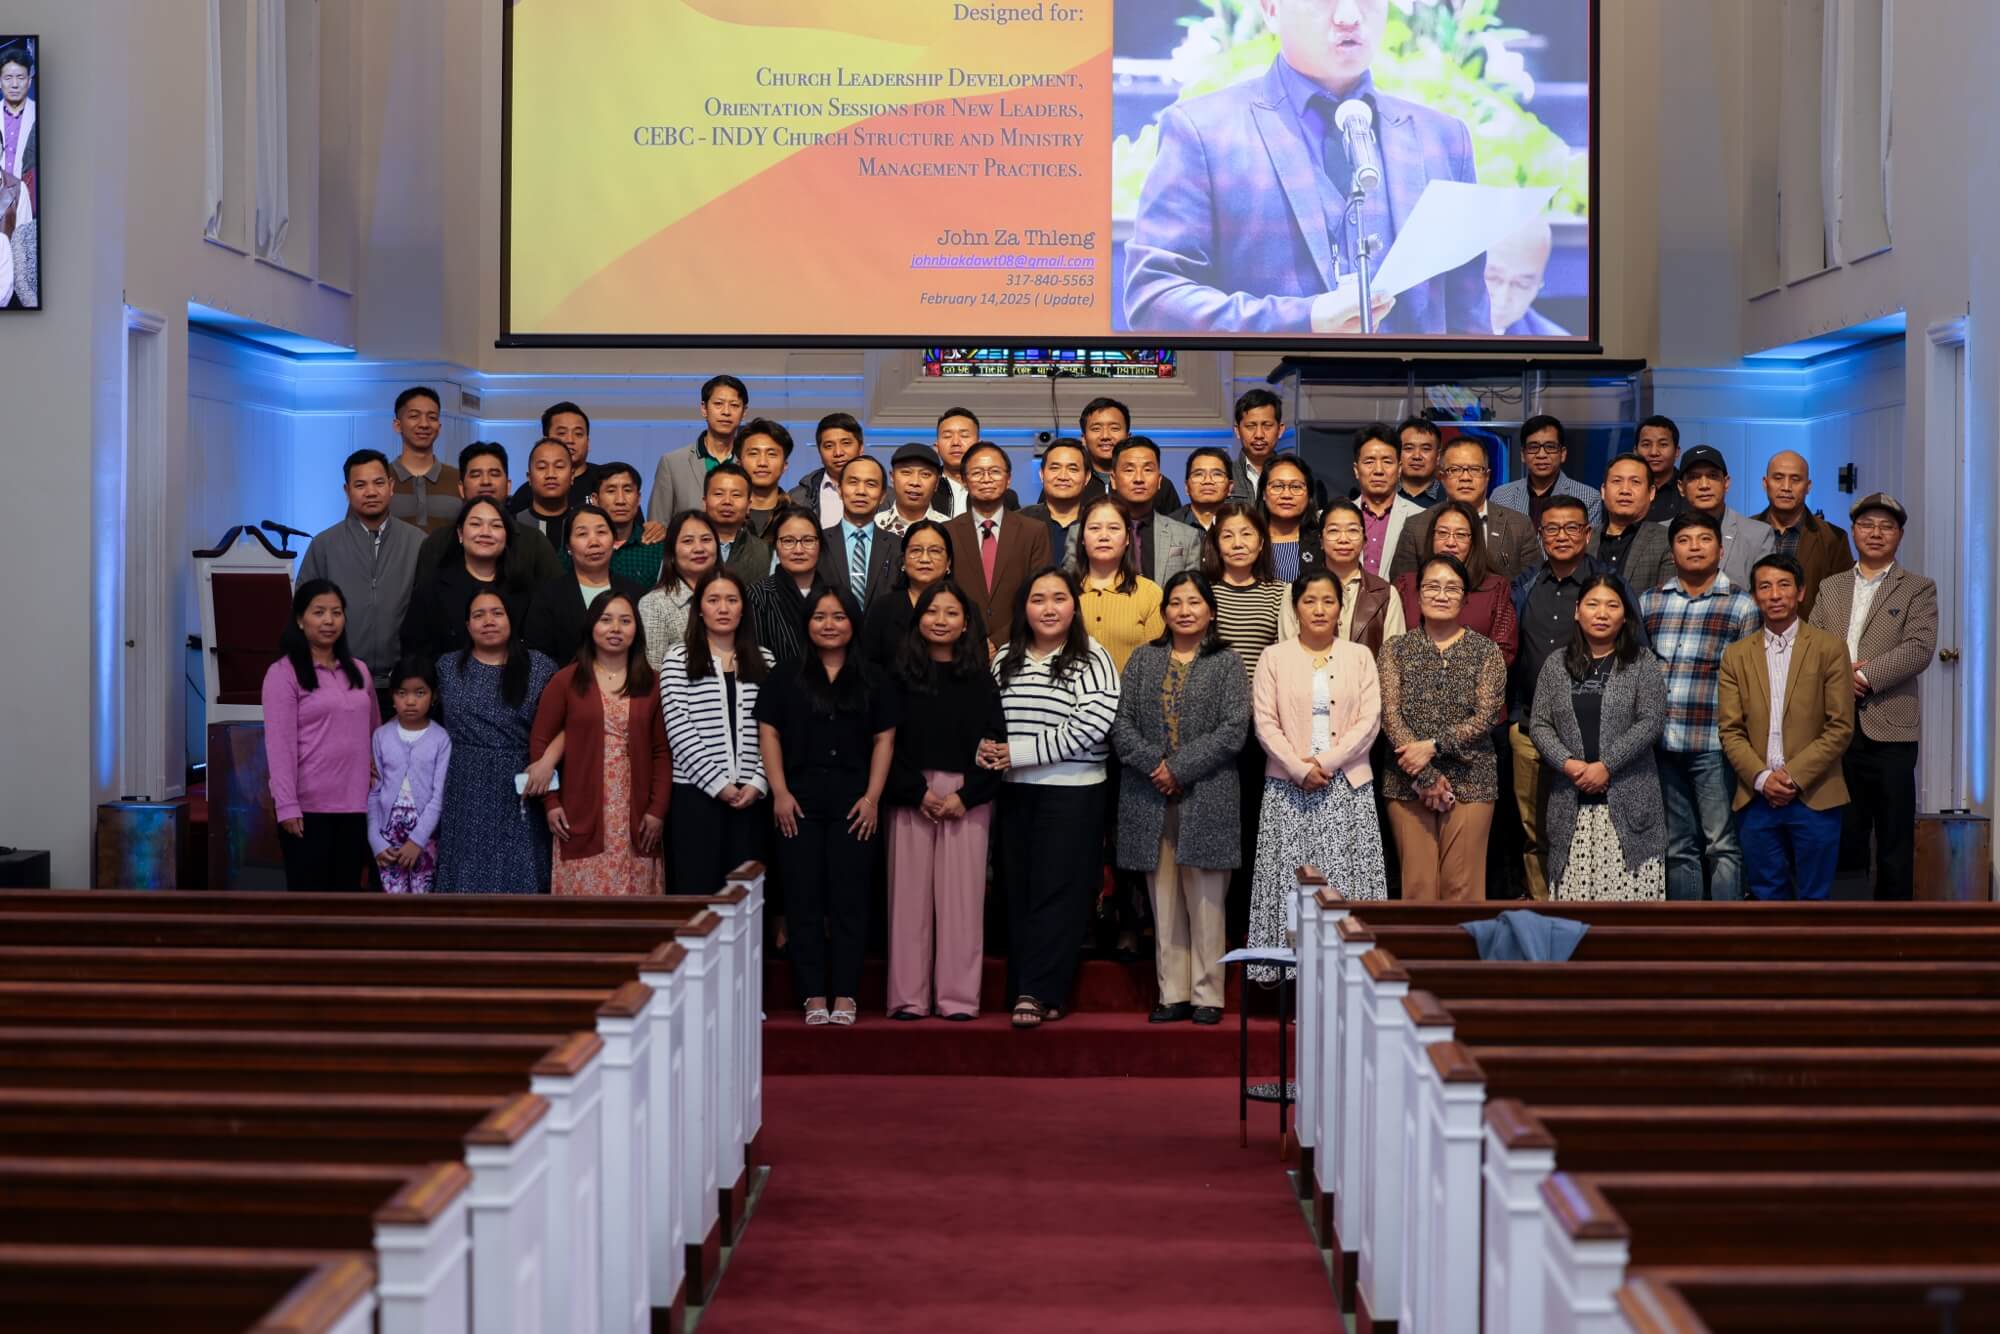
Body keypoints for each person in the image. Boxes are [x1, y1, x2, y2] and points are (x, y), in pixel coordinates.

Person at [1124, 0, 1486, 335]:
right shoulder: (1204, 132)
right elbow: (1155, 298)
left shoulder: (1443, 139)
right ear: (1271, 9)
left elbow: (1470, 325)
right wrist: (1304, 319)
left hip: (1411, 385)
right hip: (1265, 383)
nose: (1348, 16)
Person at [982, 568, 1121, 1029]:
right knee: (1018, 891)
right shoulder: (1006, 657)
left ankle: (1038, 991)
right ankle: (1034, 987)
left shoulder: (1093, 656)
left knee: (1058, 892)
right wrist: (986, 748)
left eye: (1059, 598)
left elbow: (1092, 724)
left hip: (1073, 791)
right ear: (1023, 607)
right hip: (1014, 792)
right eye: (1038, 599)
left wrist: (1018, 753)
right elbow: (987, 717)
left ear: (1073, 606)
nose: (1048, 608)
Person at [1114, 573, 1251, 1023]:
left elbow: (1234, 730)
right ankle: (1171, 991)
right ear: (1164, 611)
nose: (1185, 610)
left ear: (1211, 611)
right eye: (1175, 602)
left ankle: (1207, 994)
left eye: (1194, 602)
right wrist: (1157, 766)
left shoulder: (1227, 662)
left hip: (1207, 794)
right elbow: (1121, 724)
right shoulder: (1143, 659)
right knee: (1164, 899)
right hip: (1150, 795)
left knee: (1207, 901)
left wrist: (1180, 768)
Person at [758, 588, 897, 1025]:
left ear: (853, 622)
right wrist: (779, 792)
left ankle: (846, 994)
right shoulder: (785, 675)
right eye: (820, 616)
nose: (829, 624)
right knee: (802, 898)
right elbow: (769, 733)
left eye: (839, 616)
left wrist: (872, 798)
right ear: (807, 623)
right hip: (797, 800)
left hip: (855, 802)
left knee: (850, 898)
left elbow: (884, 740)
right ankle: (813, 994)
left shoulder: (874, 677)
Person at [1250, 570, 1388, 970]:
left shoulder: (1359, 656)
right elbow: (1264, 722)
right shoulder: (1273, 657)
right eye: (1309, 600)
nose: (1319, 609)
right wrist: (1298, 767)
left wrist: (1325, 762)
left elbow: (1369, 720)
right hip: (1288, 788)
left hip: (1346, 786)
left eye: (1328, 601)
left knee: (1344, 882)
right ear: (1296, 608)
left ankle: (1349, 973)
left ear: (1341, 609)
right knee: (1293, 883)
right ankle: (1293, 976)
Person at [884, 583, 1006, 1021]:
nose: (940, 620)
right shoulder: (898, 676)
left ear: (966, 623)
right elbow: (884, 745)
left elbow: (996, 746)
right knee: (907, 902)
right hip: (911, 795)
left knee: (962, 903)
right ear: (918, 619)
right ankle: (908, 998)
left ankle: (958, 999)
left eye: (951, 613)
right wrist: (916, 791)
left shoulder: (981, 680)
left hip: (965, 798)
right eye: (932, 611)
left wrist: (965, 796)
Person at [1808, 493, 1938, 902]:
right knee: (1845, 832)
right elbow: (1812, 646)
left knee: (1894, 836)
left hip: (1891, 729)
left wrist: (1861, 676)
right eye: (1867, 525)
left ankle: (1895, 929)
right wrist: (1838, 678)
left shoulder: (1918, 588)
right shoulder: (1830, 587)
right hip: (1835, 726)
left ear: (1900, 535)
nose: (1876, 533)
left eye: (1886, 526)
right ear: (1853, 531)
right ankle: (1847, 927)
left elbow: (1918, 649)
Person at [1638, 510, 1763, 901]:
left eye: (1704, 539)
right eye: (1684, 540)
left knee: (1721, 843)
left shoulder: (1742, 605)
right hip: (1662, 742)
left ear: (1721, 550)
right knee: (1678, 845)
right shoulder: (1650, 602)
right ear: (1672, 551)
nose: (1695, 547)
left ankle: (1724, 933)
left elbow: (1750, 684)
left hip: (1713, 743)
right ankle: (1684, 931)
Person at [1718, 554, 1855, 901]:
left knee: (1815, 899)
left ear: (1801, 592)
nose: (1775, 594)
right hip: (1757, 796)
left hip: (1815, 794)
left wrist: (1792, 777)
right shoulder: (1735, 655)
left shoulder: (1829, 648)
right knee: (1767, 898)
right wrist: (1764, 779)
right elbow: (1730, 730)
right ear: (1754, 596)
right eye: (1765, 587)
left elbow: (1840, 726)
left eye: (1784, 585)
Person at [1378, 555, 1509, 900]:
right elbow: (1390, 715)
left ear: (1465, 599)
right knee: (1418, 889)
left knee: (1461, 889)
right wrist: (1426, 775)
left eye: (1452, 588)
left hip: (1472, 777)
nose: (1441, 595)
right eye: (1432, 587)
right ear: (1418, 595)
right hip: (1407, 780)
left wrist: (1433, 746)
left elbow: (1486, 716)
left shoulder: (1486, 651)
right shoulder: (1395, 649)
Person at [1529, 577, 1668, 901]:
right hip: (1571, 804)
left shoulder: (1641, 661)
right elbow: (1539, 724)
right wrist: (1569, 764)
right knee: (1575, 913)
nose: (1602, 613)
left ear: (1625, 615)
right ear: (1578, 611)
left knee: (1628, 914)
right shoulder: (1556, 663)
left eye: (1612, 605)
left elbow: (1651, 721)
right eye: (1593, 604)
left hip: (1630, 805)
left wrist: (1606, 766)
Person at [1506, 495, 1614, 898]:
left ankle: (1584, 908)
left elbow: (1633, 652)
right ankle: (1542, 907)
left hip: (1592, 735)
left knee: (1587, 828)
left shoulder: (1607, 584)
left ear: (1587, 533)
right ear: (1541, 535)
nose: (1562, 536)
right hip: (1530, 726)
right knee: (1533, 830)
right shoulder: (1525, 584)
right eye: (1552, 528)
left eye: (1572, 528)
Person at [1201, 502, 1298, 941]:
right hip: (1212, 728)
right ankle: (1214, 923)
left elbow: (1286, 660)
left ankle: (1250, 923)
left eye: (1246, 535)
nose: (1237, 544)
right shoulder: (1203, 593)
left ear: (1262, 543)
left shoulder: (1280, 593)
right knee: (1216, 827)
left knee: (1256, 827)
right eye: (1228, 535)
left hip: (1262, 729)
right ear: (1215, 544)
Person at [532, 591, 669, 897]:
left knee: (635, 906)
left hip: (637, 817)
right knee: (584, 911)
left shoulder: (653, 683)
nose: (615, 628)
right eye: (606, 620)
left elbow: (661, 752)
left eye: (625, 621)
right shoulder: (566, 681)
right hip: (580, 813)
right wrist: (551, 802)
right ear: (591, 626)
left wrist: (657, 810)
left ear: (637, 629)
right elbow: (541, 744)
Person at [432, 590, 560, 894]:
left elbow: (570, 721)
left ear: (511, 620)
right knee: (464, 873)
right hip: (464, 783)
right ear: (467, 625)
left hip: (521, 781)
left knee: (521, 872)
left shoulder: (540, 667)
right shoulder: (447, 667)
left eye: (497, 613)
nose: (488, 621)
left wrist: (548, 761)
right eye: (479, 615)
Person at [660, 568, 775, 895]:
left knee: (746, 896)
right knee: (698, 892)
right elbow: (679, 729)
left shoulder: (765, 660)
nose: (723, 608)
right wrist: (719, 784)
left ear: (743, 608)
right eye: (713, 600)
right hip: (696, 796)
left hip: (752, 797)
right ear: (699, 608)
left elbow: (774, 731)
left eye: (731, 600)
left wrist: (758, 782)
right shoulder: (678, 659)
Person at [262, 580, 380, 891]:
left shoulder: (360, 671)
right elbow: (280, 747)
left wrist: (376, 775)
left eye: (336, 612)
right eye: (319, 612)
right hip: (308, 809)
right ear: (300, 620)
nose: (329, 620)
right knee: (310, 904)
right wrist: (286, 805)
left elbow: (375, 734)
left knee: (347, 897)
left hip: (356, 806)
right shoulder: (283, 673)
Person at [296, 449, 426, 691]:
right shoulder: (324, 545)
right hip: (339, 680)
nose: (371, 492)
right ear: (347, 491)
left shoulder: (418, 543)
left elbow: (429, 613)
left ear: (391, 486)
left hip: (403, 683)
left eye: (378, 483)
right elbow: (303, 611)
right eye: (360, 485)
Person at [946, 442, 1052, 650]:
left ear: (1008, 478)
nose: (986, 479)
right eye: (977, 473)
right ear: (964, 480)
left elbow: (1040, 594)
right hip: (960, 647)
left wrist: (1000, 641)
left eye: (994, 471)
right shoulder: (947, 532)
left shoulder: (1033, 531)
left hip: (1019, 646)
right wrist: (970, 639)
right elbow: (942, 593)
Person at [1387, 438, 1541, 581]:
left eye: (1475, 469)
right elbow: (1403, 585)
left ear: (1487, 476)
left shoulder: (1519, 525)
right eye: (1455, 470)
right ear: (1442, 477)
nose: (1465, 478)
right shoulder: (1417, 526)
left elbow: (1532, 583)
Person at [414, 442, 563, 587]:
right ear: (461, 488)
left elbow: (556, 597)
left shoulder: (534, 542)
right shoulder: (438, 543)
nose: (485, 481)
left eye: (494, 474)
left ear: (508, 486)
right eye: (476, 475)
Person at [400, 498, 531, 661]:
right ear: (460, 534)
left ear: (506, 537)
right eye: (476, 524)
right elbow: (414, 651)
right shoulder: (431, 588)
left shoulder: (523, 588)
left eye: (496, 526)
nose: (485, 532)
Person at [1392, 500, 1519, 665]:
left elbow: (1504, 650)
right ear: (1432, 537)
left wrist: (1456, 673)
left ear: (1474, 541)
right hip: (1411, 677)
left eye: (1460, 535)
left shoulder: (1496, 588)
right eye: (1442, 533)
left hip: (1476, 679)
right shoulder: (1406, 585)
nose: (1450, 542)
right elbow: (1392, 645)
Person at [367, 655, 450, 895]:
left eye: (420, 693)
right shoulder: (381, 736)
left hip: (425, 837)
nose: (410, 701)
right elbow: (374, 792)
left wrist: (418, 840)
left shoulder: (441, 739)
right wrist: (375, 839)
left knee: (422, 900)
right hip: (388, 836)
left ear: (434, 696)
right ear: (392, 697)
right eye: (402, 693)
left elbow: (438, 796)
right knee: (393, 901)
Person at [523, 505, 646, 661]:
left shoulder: (636, 594)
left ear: (614, 541)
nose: (594, 542)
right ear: (568, 546)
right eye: (582, 534)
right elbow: (539, 658)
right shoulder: (548, 596)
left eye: (601, 532)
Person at [1071, 496, 1166, 672]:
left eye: (1114, 528)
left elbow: (1158, 665)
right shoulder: (1065, 591)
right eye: (1094, 528)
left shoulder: (1150, 593)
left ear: (1128, 538)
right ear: (1082, 538)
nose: (1104, 536)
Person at [1753, 451, 1852, 618]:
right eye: (1778, 478)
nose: (1786, 487)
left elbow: (1842, 603)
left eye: (1795, 479)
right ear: (1765, 483)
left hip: (1810, 632)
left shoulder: (1833, 538)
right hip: (1752, 631)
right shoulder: (1745, 531)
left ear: (1808, 486)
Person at [649, 373, 745, 523]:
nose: (726, 412)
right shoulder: (673, 463)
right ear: (704, 409)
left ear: (744, 412)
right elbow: (657, 526)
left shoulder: (749, 463)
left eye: (734, 405)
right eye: (718, 404)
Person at [858, 520, 954, 669]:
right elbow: (868, 666)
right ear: (903, 561)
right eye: (916, 550)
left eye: (935, 551)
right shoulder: (883, 608)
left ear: (948, 563)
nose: (925, 559)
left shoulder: (965, 608)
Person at [1676, 445, 1773, 591]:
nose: (1704, 485)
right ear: (1681, 487)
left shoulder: (1758, 534)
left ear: (1726, 483)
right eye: (1694, 477)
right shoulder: (1663, 532)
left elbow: (1766, 593)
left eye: (1712, 476)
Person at [1107, 438, 1203, 585]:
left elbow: (1191, 592)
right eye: (1129, 470)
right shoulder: (1083, 532)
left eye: (1147, 470)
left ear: (1159, 480)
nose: (1139, 479)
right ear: (1113, 480)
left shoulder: (1186, 536)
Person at [1319, 499, 1405, 654]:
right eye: (1334, 531)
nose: (1343, 539)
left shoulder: (1386, 594)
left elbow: (1393, 659)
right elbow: (1290, 656)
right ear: (1321, 540)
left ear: (1364, 540)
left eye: (1352, 531)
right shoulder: (1296, 591)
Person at [749, 505, 826, 675]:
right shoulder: (758, 596)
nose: (798, 550)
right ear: (776, 545)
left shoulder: (834, 595)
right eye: (788, 541)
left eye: (808, 540)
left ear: (820, 544)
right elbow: (756, 661)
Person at [637, 511, 719, 670]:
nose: (699, 548)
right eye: (688, 541)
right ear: (672, 551)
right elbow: (654, 671)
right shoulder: (654, 604)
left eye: (706, 540)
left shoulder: (733, 596)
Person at [1490, 415, 1603, 530]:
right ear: (1523, 455)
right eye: (1533, 447)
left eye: (1550, 447)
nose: (1541, 455)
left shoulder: (1588, 498)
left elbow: (1589, 541)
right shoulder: (1500, 496)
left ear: (1563, 454)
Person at [1078, 399, 1185, 514]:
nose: (1105, 436)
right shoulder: (1074, 482)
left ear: (1128, 436)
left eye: (1114, 428)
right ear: (1083, 438)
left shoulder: (1158, 484)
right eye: (1096, 429)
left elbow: (1174, 523)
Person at [816, 454, 895, 609]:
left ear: (883, 496)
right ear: (840, 490)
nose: (861, 491)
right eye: (853, 482)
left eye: (871, 484)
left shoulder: (898, 546)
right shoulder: (818, 543)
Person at [1591, 453, 1673, 593]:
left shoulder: (1666, 540)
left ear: (1651, 493)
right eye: (1617, 481)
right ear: (1603, 491)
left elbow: (1665, 600)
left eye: (1635, 482)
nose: (1625, 490)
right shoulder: (1585, 539)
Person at [1350, 423, 1423, 576]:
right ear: (1356, 470)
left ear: (1400, 469)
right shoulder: (1334, 517)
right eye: (1369, 462)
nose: (1378, 470)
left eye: (1387, 462)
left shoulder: (1421, 517)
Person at [386, 387, 461, 533]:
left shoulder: (458, 479)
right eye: (414, 416)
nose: (424, 424)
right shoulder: (380, 478)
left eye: (432, 417)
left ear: (439, 428)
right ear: (397, 425)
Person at [509, 401, 605, 515]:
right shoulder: (526, 493)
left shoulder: (605, 480)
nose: (570, 440)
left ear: (588, 443)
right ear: (546, 440)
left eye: (578, 434)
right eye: (561, 433)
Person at [1485, 218, 1569, 337]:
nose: (1502, 298)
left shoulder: (1556, 341)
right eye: (1492, 278)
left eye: (1522, 285)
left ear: (1539, 284)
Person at [788, 412, 866, 529]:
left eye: (846, 443)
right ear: (820, 452)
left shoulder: (889, 497)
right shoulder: (797, 498)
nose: (838, 452)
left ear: (861, 448)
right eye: (829, 446)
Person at [1018, 438, 1089, 564]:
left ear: (1087, 477)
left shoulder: (1097, 523)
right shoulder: (1019, 522)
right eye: (1055, 468)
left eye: (1073, 469)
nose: (1063, 476)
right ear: (1041, 475)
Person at [593, 463, 665, 586]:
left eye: (627, 490)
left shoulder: (657, 548)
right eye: (611, 491)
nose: (620, 500)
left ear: (639, 498)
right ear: (595, 500)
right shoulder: (581, 546)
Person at [704, 462, 772, 581]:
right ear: (705, 502)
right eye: (719, 494)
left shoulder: (766, 553)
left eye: (736, 495)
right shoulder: (685, 547)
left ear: (748, 505)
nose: (727, 501)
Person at [1259, 455, 1318, 582]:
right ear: (1263, 493)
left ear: (1309, 495)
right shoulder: (1249, 540)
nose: (1286, 495)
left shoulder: (1322, 542)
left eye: (1296, 487)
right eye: (1277, 486)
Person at [736, 418, 794, 539]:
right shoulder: (724, 514)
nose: (762, 462)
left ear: (785, 465)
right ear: (739, 464)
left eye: (772, 454)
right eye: (753, 454)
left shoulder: (798, 516)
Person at [1226, 389, 1287, 503]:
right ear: (1237, 431)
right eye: (1250, 426)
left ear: (1280, 430)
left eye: (1267, 425)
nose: (1259, 435)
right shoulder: (1225, 476)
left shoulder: (1293, 477)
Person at [514, 438, 576, 549]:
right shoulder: (514, 525)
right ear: (529, 478)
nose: (550, 474)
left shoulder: (582, 523)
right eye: (542, 467)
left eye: (559, 466)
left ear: (572, 476)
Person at [878, 443, 949, 537]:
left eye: (925, 474)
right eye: (906, 472)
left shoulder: (948, 528)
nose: (915, 482)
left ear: (937, 482)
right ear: (892, 477)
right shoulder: (875, 524)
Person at [1634, 415, 1689, 523]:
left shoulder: (1688, 487)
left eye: (1663, 445)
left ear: (1677, 451)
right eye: (1646, 445)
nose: (1654, 452)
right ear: (1635, 451)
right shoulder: (1625, 489)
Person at [1177, 447, 1236, 531]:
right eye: (1199, 474)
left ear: (1230, 487)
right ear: (1187, 487)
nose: (1208, 480)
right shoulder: (1168, 526)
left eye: (1217, 474)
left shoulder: (1242, 524)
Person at [1396, 416, 1446, 509]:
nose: (1417, 456)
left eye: (1425, 449)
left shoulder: (1450, 498)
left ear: (1438, 456)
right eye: (1409, 448)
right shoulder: (1384, 494)